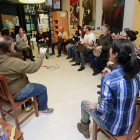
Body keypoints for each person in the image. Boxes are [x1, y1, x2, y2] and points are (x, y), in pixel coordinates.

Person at [77, 39, 140, 138]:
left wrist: (96, 105)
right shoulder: (136, 74)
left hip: (116, 127)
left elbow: (105, 109)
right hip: (131, 123)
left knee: (84, 103)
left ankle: (84, 128)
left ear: (115, 54)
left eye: (110, 49)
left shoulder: (108, 79)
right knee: (100, 99)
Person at [0, 36, 54, 115]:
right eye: (12, 44)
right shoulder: (12, 62)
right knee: (42, 89)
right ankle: (42, 109)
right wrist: (41, 54)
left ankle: (29, 104)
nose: (14, 44)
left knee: (26, 80)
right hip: (16, 94)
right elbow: (34, 67)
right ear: (7, 48)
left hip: (5, 93)